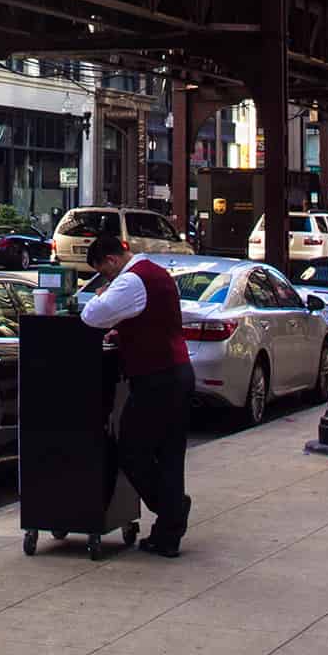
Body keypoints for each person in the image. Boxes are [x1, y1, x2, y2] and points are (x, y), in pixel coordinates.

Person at [78, 232, 193, 557]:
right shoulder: (155, 274)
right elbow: (145, 318)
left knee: (130, 449)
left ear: (112, 260)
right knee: (170, 455)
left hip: (156, 379)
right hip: (178, 372)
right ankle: (168, 534)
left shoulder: (131, 282)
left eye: (104, 271)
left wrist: (102, 294)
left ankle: (172, 509)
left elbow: (91, 316)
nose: (106, 279)